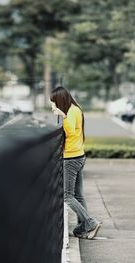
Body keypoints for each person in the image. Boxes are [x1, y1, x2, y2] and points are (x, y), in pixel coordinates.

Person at [50, 86, 101, 240]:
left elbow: (71, 132)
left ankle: (90, 223)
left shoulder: (69, 113)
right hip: (79, 155)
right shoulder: (76, 108)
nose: (53, 106)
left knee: (67, 196)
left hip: (71, 157)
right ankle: (83, 227)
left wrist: (62, 115)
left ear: (60, 100)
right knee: (79, 195)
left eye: (54, 103)